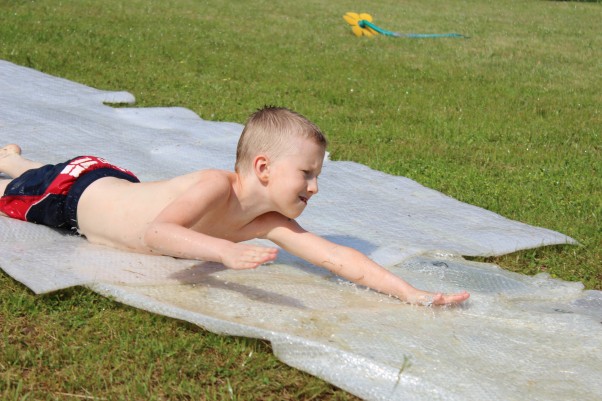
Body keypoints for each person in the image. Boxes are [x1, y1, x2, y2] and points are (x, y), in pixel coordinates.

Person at [0, 106, 469, 306]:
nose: (315, 187)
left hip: (109, 180)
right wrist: (224, 252)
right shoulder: (213, 185)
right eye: (307, 174)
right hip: (68, 195)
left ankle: (16, 159)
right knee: (16, 190)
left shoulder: (266, 220)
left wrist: (411, 294)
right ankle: (16, 164)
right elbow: (157, 233)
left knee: (48, 169)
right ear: (263, 168)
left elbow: (336, 258)